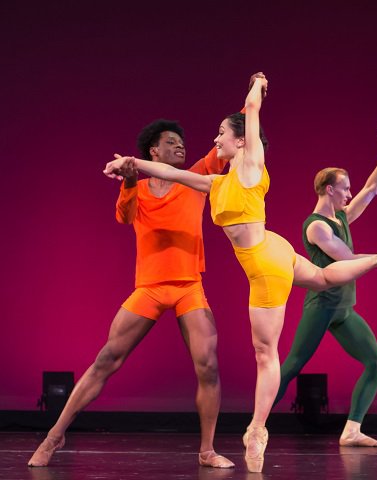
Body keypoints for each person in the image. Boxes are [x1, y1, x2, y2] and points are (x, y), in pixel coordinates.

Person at [103, 74, 377, 472]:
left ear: (241, 141)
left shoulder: (251, 165)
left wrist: (257, 83)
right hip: (277, 249)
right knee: (322, 279)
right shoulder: (215, 182)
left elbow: (250, 110)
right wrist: (129, 164)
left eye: (221, 132)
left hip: (264, 266)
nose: (215, 139)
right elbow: (167, 173)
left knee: (267, 356)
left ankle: (257, 429)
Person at [29, 118, 235, 468]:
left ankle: (207, 450)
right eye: (171, 142)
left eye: (182, 142)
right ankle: (54, 436)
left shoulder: (198, 176)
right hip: (151, 287)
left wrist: (253, 98)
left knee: (209, 366)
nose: (180, 146)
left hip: (188, 286)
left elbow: (228, 143)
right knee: (106, 359)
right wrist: (127, 178)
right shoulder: (136, 189)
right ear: (154, 151)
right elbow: (124, 218)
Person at [274, 121, 377, 447]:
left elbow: (373, 188)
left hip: (345, 308)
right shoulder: (316, 227)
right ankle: (255, 422)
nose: (350, 193)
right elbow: (346, 259)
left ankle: (351, 430)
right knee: (292, 366)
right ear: (329, 190)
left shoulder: (342, 216)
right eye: (345, 188)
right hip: (323, 306)